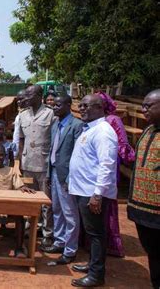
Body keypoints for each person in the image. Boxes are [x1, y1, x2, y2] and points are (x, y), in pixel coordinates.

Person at [69, 94, 118, 287]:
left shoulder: (104, 131)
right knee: (91, 232)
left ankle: (97, 274)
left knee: (97, 234)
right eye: (80, 105)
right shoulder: (91, 128)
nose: (81, 108)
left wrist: (98, 194)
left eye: (86, 106)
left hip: (93, 193)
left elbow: (107, 165)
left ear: (99, 107)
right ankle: (92, 264)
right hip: (83, 190)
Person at [42, 95, 83, 266]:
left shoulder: (76, 126)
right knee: (57, 210)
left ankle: (70, 249)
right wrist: (50, 174)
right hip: (55, 174)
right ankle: (59, 242)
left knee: (70, 214)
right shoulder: (55, 125)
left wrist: (69, 178)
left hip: (67, 177)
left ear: (68, 105)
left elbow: (77, 155)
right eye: (54, 105)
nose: (55, 107)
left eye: (59, 105)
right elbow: (54, 152)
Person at [94, 91, 134, 257]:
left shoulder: (113, 120)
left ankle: (110, 244)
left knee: (107, 205)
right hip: (93, 168)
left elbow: (123, 145)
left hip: (108, 166)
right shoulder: (94, 120)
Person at [127, 89, 160, 288]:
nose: (143, 109)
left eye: (149, 106)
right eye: (144, 105)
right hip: (142, 210)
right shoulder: (148, 131)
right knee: (153, 252)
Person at [16, 84, 55, 247]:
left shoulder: (51, 114)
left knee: (46, 201)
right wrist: (18, 161)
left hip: (44, 163)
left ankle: (47, 233)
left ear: (39, 96)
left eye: (30, 95)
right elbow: (20, 140)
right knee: (29, 198)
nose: (26, 97)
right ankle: (30, 227)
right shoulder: (23, 115)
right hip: (27, 163)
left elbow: (55, 141)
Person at [12, 89, 28, 158]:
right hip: (22, 151)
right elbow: (16, 136)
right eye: (17, 99)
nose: (18, 102)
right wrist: (14, 153)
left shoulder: (32, 115)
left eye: (21, 99)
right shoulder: (19, 116)